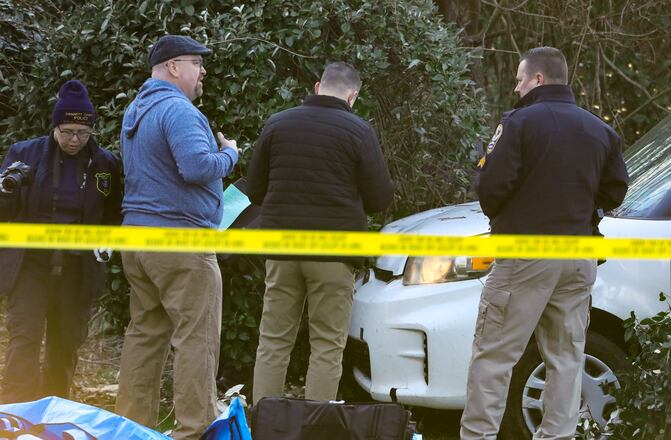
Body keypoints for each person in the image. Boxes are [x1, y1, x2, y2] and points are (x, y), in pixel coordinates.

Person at [460, 47, 629, 440]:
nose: (516, 88)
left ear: (538, 79)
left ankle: (477, 436)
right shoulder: (600, 129)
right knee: (567, 357)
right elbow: (615, 192)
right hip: (577, 257)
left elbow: (491, 188)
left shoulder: (519, 124)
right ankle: (557, 436)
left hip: (526, 256)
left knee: (494, 356)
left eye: (519, 80)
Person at [115, 35, 239, 440]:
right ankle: (194, 431)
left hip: (139, 241)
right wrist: (231, 154)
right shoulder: (178, 109)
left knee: (145, 335)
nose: (203, 71)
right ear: (173, 67)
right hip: (181, 244)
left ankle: (132, 429)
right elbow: (197, 166)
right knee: (196, 338)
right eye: (196, 63)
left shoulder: (136, 109)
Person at [247, 62, 394, 403]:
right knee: (327, 346)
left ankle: (265, 424)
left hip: (282, 250)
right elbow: (379, 198)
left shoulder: (277, 124)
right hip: (333, 254)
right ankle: (314, 428)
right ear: (352, 96)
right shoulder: (358, 131)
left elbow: (255, 190)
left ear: (317, 86)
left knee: (273, 341)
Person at [0, 80, 122, 402]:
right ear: (54, 126)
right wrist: (7, 188)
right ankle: (14, 415)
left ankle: (54, 412)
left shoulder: (104, 165)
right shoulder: (24, 153)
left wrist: (107, 243)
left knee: (65, 343)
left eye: (83, 134)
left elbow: (112, 212)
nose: (74, 140)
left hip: (76, 269)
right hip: (30, 265)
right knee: (24, 339)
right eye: (67, 131)